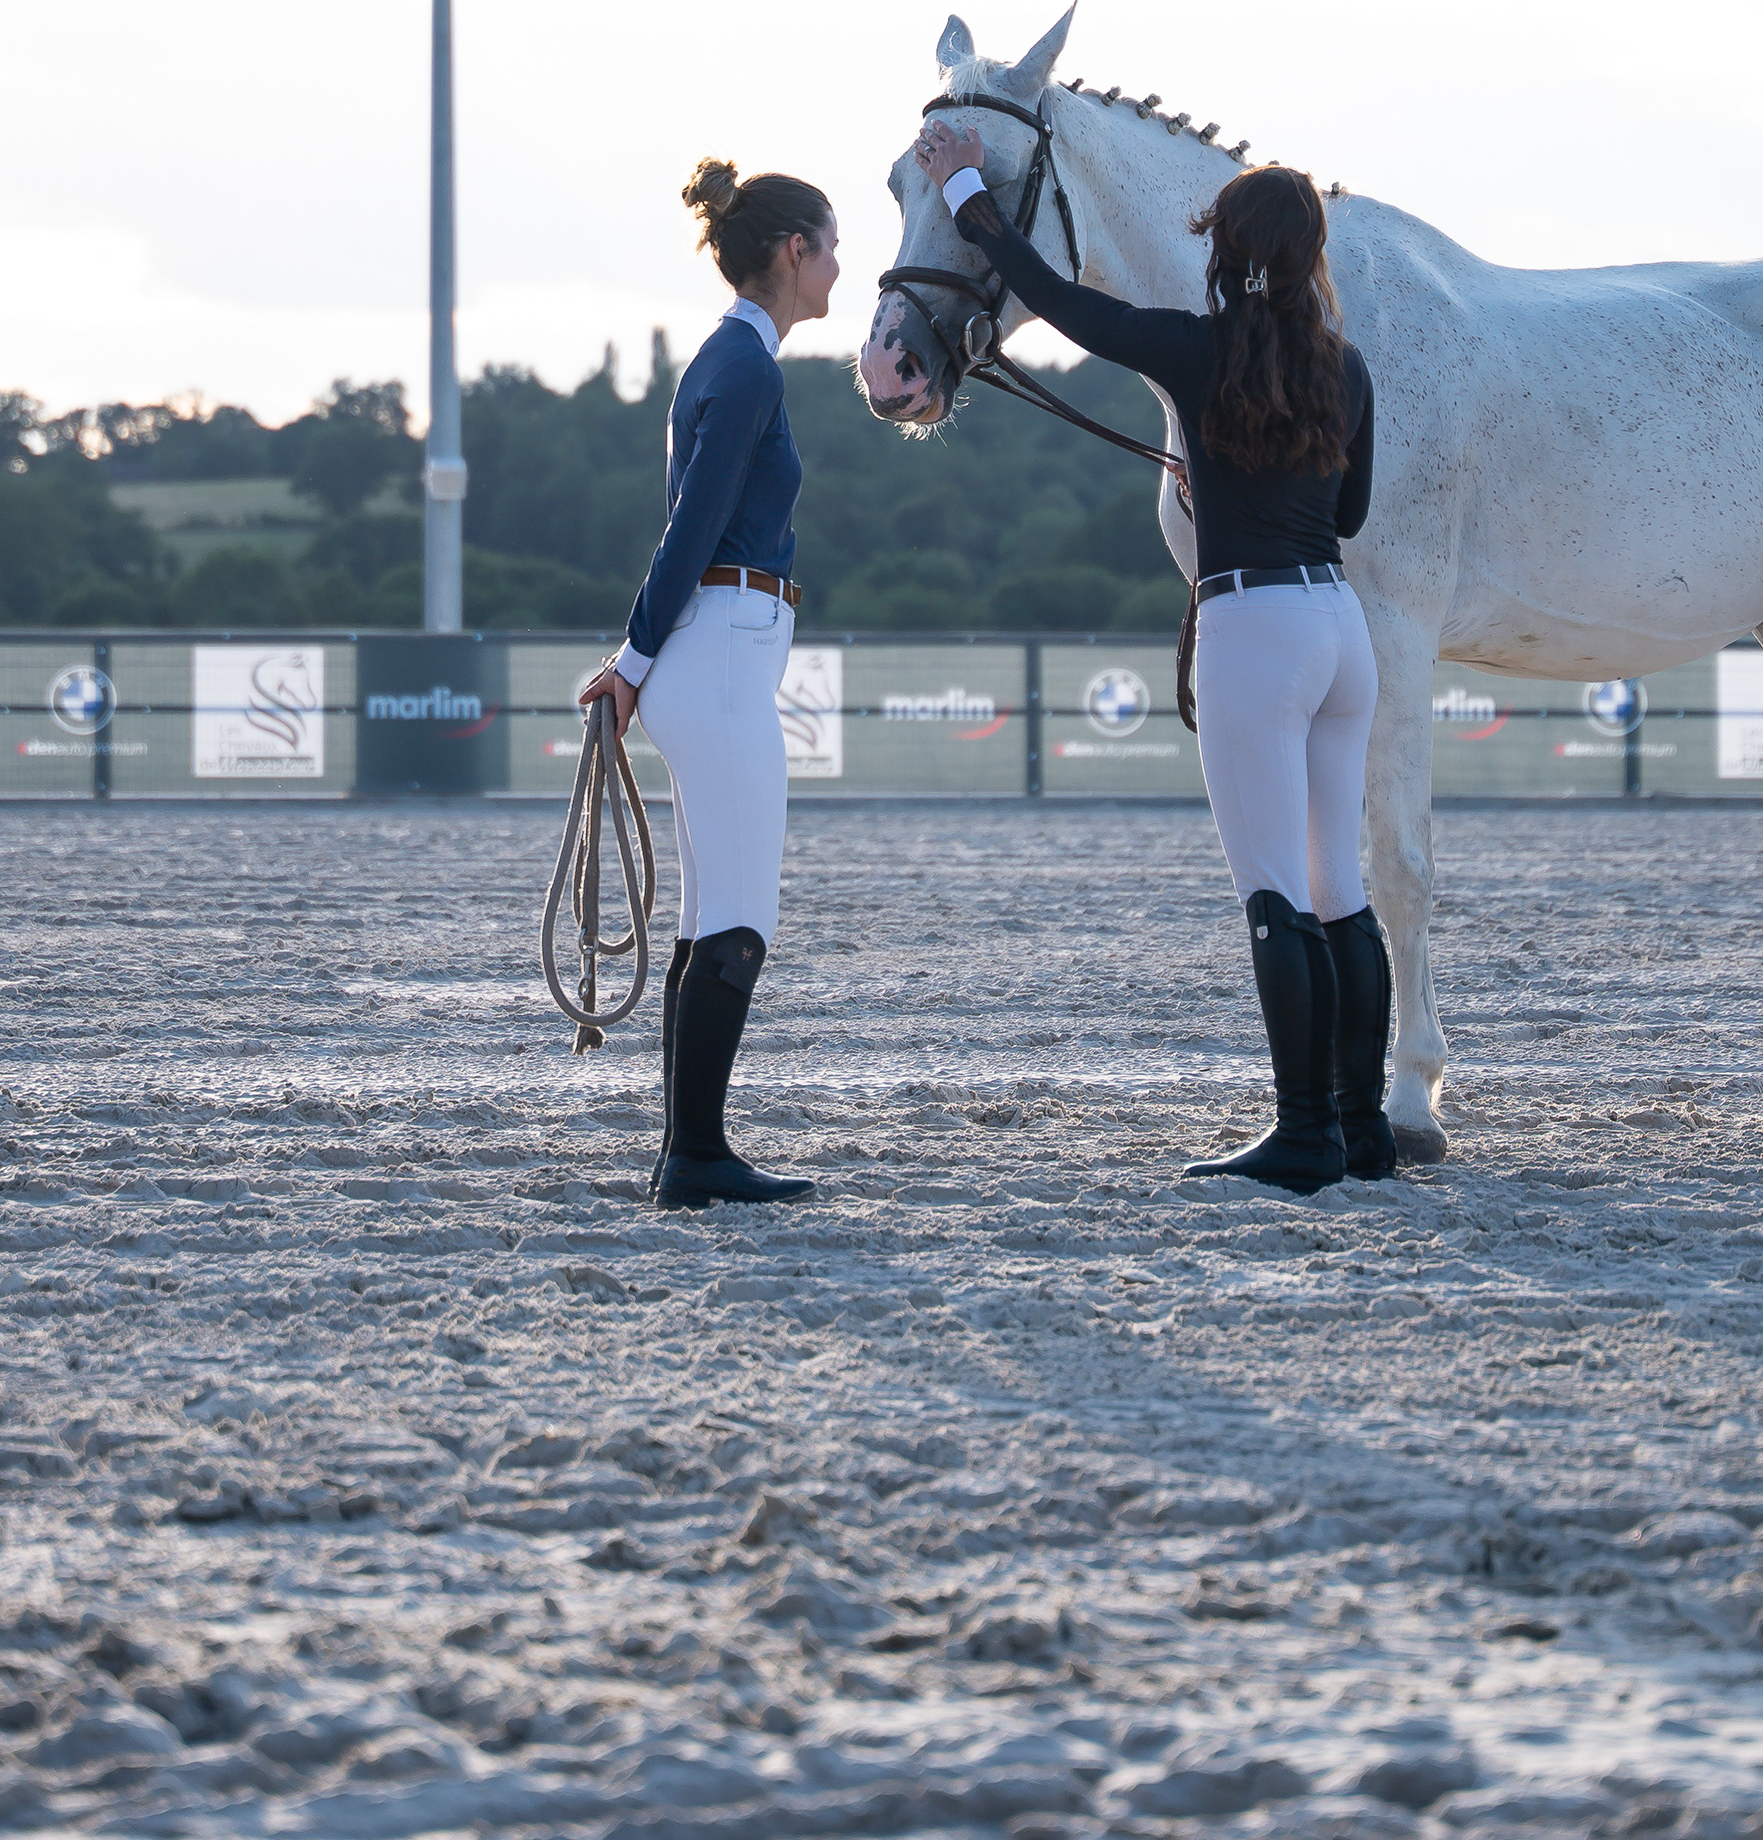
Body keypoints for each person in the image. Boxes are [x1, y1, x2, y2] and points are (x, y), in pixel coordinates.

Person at [916, 119, 1388, 1193]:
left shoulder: (1192, 346)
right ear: (1313, 255)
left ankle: (1303, 1131)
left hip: (1253, 629)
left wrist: (966, 196)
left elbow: (1062, 299)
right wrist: (1247, 480)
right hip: (1337, 629)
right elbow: (1349, 511)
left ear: (1223, 248)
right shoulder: (1347, 369)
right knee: (1339, 889)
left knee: (1273, 893)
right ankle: (1361, 1130)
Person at [581, 161, 837, 1210]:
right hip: (719, 650)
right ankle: (695, 1154)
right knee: (739, 915)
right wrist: (633, 658)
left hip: (720, 651)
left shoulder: (733, 359)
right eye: (829, 245)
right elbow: (689, 528)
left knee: (710, 916)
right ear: (791, 253)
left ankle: (692, 1146)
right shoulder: (747, 366)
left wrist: (642, 658)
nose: (837, 267)